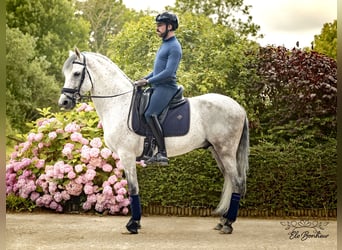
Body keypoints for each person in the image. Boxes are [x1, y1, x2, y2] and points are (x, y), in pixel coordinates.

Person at [134, 12, 182, 165]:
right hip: (157, 84)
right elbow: (157, 71)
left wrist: (148, 82)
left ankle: (162, 153)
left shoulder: (174, 46)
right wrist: (144, 79)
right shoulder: (164, 44)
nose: (157, 29)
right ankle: (148, 149)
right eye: (157, 25)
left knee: (150, 114)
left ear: (169, 26)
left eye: (160, 26)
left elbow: (168, 73)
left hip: (167, 86)